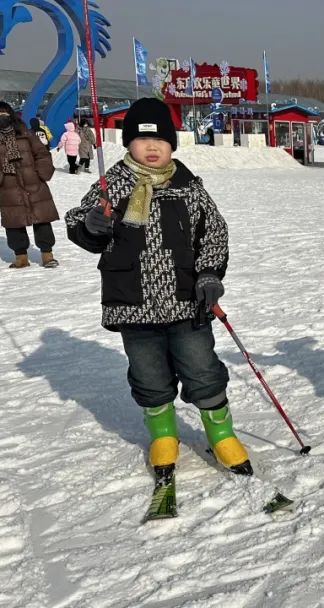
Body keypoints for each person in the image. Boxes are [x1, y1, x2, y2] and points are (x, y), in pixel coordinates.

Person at [64, 97, 252, 478]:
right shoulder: (111, 184)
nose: (152, 148)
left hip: (187, 303)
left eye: (161, 141)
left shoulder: (189, 188)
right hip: (133, 305)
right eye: (143, 140)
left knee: (203, 370)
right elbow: (78, 220)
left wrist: (210, 274)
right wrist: (91, 226)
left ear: (172, 145)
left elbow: (214, 233)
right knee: (149, 375)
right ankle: (163, 434)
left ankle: (221, 434)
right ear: (128, 143)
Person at [0, 102, 60, 268]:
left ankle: (47, 255)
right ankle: (21, 257)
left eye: (4, 114)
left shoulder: (26, 134)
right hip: (8, 188)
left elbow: (42, 154)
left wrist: (41, 173)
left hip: (33, 184)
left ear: (10, 115)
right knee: (14, 222)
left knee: (42, 218)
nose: (1, 118)